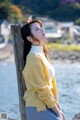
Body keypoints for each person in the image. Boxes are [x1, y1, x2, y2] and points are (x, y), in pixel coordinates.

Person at [21, 17, 65, 120]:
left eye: (41, 27)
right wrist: (58, 112)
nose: (42, 30)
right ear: (29, 38)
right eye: (37, 29)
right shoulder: (33, 58)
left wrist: (57, 108)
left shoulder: (41, 54)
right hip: (37, 107)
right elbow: (42, 90)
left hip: (46, 105)